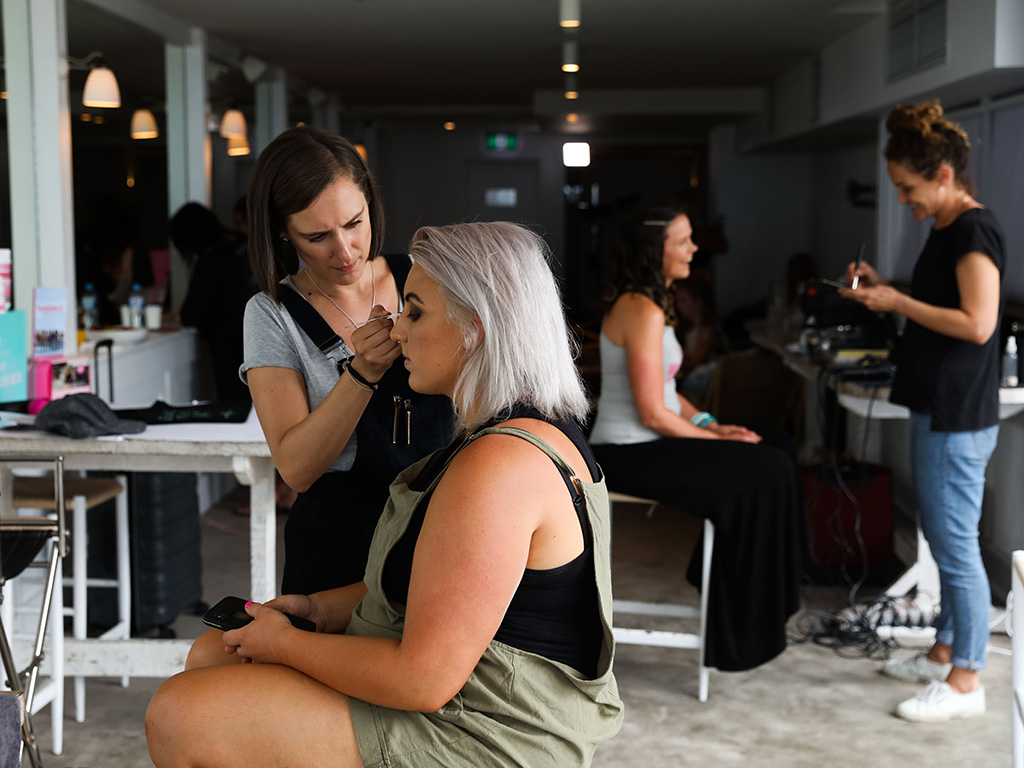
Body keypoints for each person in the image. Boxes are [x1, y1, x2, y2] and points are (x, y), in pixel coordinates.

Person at [146, 221, 623, 768]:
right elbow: (441, 588)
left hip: (490, 731)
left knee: (181, 714)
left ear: (476, 329)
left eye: (414, 311)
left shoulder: (500, 467)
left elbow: (422, 679)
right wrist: (319, 609)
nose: (396, 332)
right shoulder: (511, 432)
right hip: (464, 698)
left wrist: (286, 644)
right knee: (213, 653)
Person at [839, 101, 1007, 723]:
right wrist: (890, 291)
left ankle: (967, 680)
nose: (904, 201)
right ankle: (943, 652)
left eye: (908, 189)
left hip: (959, 411)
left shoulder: (972, 230)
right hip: (938, 402)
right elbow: (944, 307)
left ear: (941, 174)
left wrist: (898, 305)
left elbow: (978, 323)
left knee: (956, 545)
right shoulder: (945, 229)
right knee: (942, 539)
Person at [588, 206, 803, 672]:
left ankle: (758, 600)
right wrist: (719, 441)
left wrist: (711, 425)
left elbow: (669, 393)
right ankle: (741, 624)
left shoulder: (652, 303)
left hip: (651, 440)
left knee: (777, 443)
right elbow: (652, 413)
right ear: (654, 250)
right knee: (767, 467)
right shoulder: (640, 308)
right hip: (627, 450)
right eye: (682, 241)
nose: (694, 249)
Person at [240, 126, 452, 595]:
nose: (345, 251)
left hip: (440, 517)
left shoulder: (423, 278)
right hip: (339, 540)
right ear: (281, 230)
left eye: (355, 223)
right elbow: (296, 468)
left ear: (370, 203)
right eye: (317, 236)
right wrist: (361, 374)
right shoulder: (271, 314)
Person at [171, 202, 256, 404]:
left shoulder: (211, 259)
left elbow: (191, 314)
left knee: (236, 403)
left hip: (231, 345)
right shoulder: (244, 245)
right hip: (261, 336)